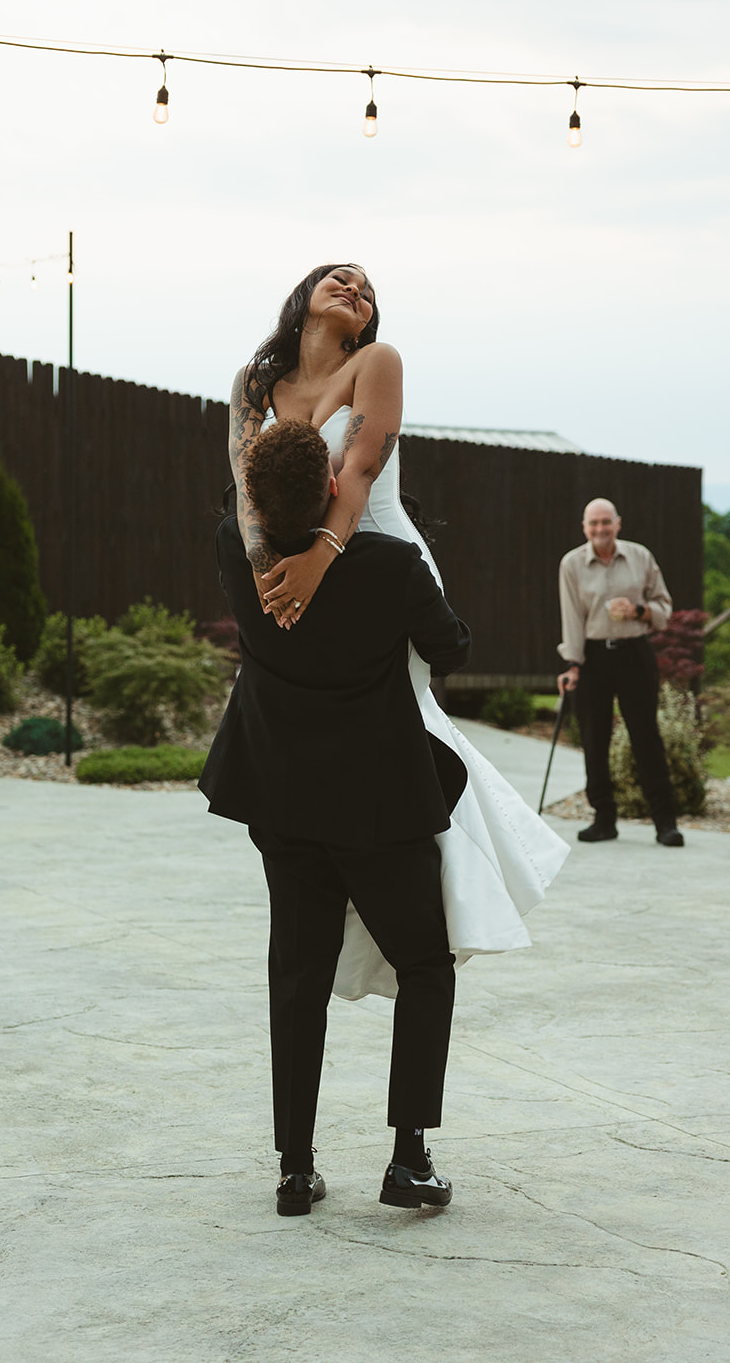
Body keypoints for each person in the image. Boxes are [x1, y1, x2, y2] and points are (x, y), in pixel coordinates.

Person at [227, 263, 570, 1002]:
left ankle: (425, 884)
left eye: (367, 288)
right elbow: (245, 481)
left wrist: (317, 560)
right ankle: (327, 869)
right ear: (303, 297)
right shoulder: (255, 381)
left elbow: (355, 471)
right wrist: (265, 573)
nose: (355, 287)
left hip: (375, 557)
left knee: (394, 724)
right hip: (289, 567)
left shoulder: (375, 363)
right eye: (337, 277)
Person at [200, 417, 471, 1214]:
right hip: (379, 803)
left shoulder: (232, 546)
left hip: (280, 798)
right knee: (424, 967)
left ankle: (294, 1171)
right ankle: (407, 1161)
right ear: (332, 485)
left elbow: (240, 510)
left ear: (252, 498)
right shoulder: (388, 562)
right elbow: (450, 645)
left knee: (296, 976)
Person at [556, 498, 683, 846]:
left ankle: (665, 822)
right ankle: (604, 819)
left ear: (618, 524)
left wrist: (638, 610)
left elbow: (664, 608)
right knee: (594, 740)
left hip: (635, 654)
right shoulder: (571, 564)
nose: (600, 529)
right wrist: (573, 664)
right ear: (584, 527)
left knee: (646, 738)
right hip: (594, 658)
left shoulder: (640, 557)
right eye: (593, 523)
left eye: (606, 522)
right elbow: (572, 619)